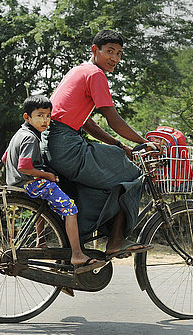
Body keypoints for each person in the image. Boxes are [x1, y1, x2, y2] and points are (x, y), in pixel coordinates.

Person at [42, 30, 154, 259]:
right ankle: (114, 241)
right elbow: (113, 119)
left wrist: (118, 144)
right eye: (109, 51)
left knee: (110, 166)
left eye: (119, 53)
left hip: (52, 144)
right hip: (67, 146)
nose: (114, 58)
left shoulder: (79, 70)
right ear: (95, 50)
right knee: (132, 173)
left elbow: (87, 123)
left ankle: (75, 251)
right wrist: (145, 142)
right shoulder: (96, 75)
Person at [5, 95, 104, 274]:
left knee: (44, 207)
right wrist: (46, 175)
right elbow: (24, 166)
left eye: (48, 116)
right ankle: (77, 254)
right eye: (40, 115)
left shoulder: (19, 134)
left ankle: (40, 240)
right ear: (27, 117)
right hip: (29, 183)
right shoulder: (31, 138)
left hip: (17, 182)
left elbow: (6, 158)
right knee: (70, 208)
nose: (45, 120)